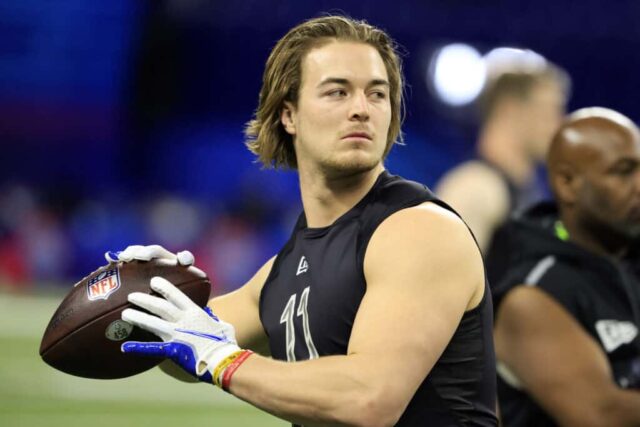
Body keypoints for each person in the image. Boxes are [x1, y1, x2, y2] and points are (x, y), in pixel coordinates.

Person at [107, 15, 498, 426]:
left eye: (377, 94)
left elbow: (369, 400)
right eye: (337, 92)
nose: (361, 110)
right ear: (288, 115)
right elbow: (183, 347)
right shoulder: (286, 267)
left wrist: (223, 359)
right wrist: (146, 293)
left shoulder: (419, 231)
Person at [492, 107, 640, 426]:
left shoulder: (630, 266)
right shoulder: (531, 296)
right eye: (623, 171)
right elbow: (602, 415)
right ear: (567, 183)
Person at [435, 55, 570, 285]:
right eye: (550, 111)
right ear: (510, 109)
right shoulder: (476, 187)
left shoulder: (526, 192)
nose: (559, 124)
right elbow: (438, 286)